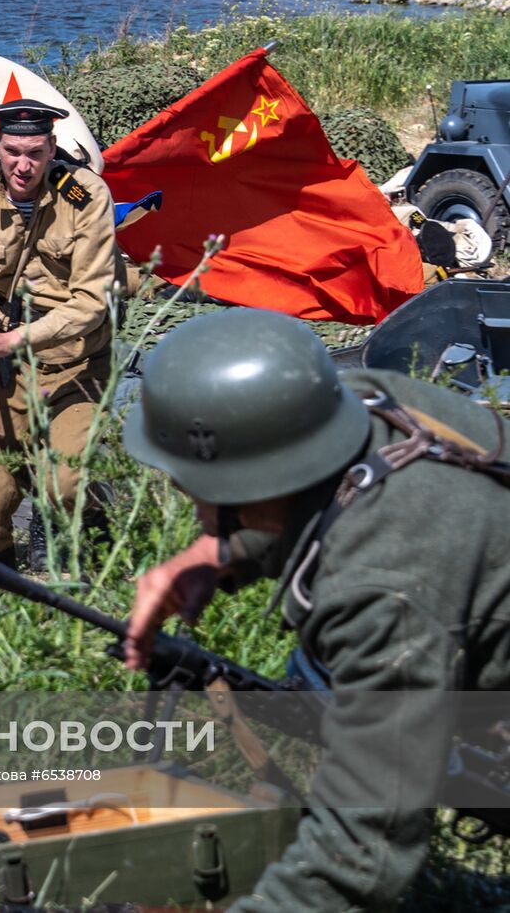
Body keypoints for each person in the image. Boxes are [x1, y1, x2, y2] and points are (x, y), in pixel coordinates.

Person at [121, 308, 510, 911]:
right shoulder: (355, 404)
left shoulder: (382, 593)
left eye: (188, 480)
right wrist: (221, 551)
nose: (182, 494)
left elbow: (360, 856)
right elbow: (316, 496)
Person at [0, 99, 123, 567]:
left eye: (35, 152)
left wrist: (10, 339)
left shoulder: (86, 198)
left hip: (73, 366)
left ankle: (89, 534)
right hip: (3, 369)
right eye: (13, 151)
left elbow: (91, 304)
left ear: (53, 148)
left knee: (65, 484)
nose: (23, 165)